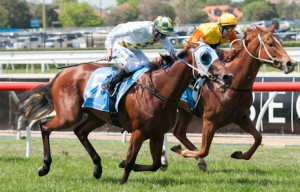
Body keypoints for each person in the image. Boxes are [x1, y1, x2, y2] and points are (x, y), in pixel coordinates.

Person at [102, 16, 177, 96]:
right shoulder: (140, 27)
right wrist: (109, 52)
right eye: (163, 34)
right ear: (156, 30)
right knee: (133, 63)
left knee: (147, 66)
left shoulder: (160, 36)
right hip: (119, 45)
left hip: (133, 48)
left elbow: (172, 51)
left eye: (166, 35)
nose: (164, 37)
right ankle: (109, 84)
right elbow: (112, 34)